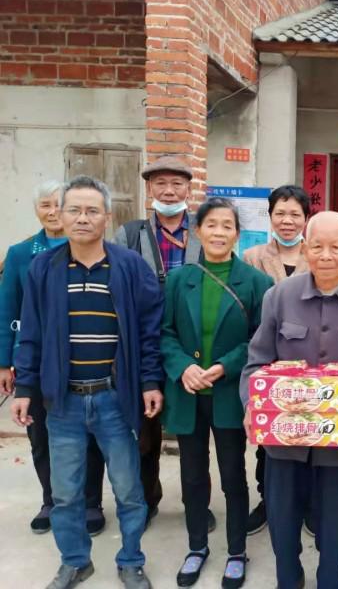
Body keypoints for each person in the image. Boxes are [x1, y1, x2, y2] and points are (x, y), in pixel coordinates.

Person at [10, 175, 164, 589]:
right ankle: (76, 560)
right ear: (59, 215)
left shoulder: (130, 266)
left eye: (92, 210)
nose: (82, 218)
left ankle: (131, 559)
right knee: (65, 494)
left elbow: (150, 329)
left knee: (130, 491)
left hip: (115, 399)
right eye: (74, 210)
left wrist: (150, 381)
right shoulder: (44, 267)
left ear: (107, 217)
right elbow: (32, 333)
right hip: (63, 402)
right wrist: (24, 388)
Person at [239, 210, 338, 589]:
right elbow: (256, 362)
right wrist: (252, 405)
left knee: (335, 521)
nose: (326, 255)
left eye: (336, 246)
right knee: (283, 520)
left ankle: (330, 578)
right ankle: (289, 579)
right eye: (317, 246)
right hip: (283, 442)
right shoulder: (279, 295)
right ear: (305, 249)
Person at [161, 197, 273, 588]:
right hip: (189, 393)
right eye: (212, 225)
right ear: (197, 232)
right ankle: (196, 547)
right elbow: (165, 333)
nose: (219, 232)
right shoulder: (178, 280)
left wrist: (226, 365)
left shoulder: (258, 283)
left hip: (229, 394)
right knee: (192, 477)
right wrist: (182, 368)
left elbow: (262, 339)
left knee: (232, 476)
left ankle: (236, 552)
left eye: (227, 226)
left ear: (237, 234)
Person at [113, 155, 214, 532]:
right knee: (144, 432)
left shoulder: (202, 231)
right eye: (160, 184)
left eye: (176, 184)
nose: (168, 190)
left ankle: (196, 505)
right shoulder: (131, 233)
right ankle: (146, 499)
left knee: (193, 434)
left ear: (189, 189)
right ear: (148, 189)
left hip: (190, 348)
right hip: (142, 346)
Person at [0, 180, 106, 536]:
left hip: (83, 362)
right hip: (36, 361)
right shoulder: (21, 254)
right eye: (46, 205)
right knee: (41, 435)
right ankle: (51, 499)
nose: (52, 211)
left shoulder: (93, 249)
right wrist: (5, 362)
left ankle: (91, 502)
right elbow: (8, 310)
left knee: (88, 435)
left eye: (57, 204)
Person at [242, 184, 310, 536]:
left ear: (305, 219)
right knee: (269, 442)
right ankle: (267, 501)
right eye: (280, 213)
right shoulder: (252, 257)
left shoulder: (318, 256)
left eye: (295, 214)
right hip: (268, 361)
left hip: (310, 365)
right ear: (270, 217)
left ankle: (309, 506)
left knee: (310, 436)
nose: (287, 221)